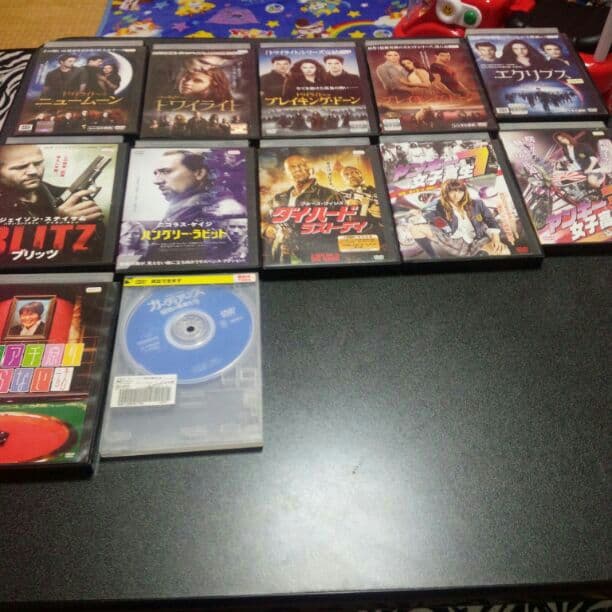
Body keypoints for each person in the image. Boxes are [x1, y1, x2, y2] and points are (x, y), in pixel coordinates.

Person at [148, 150, 246, 262]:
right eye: (156, 173)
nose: (156, 181)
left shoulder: (219, 207)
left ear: (199, 173)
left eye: (166, 171)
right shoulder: (181, 205)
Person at [264, 154, 343, 263]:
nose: (298, 169)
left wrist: (300, 243)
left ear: (310, 169)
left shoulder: (330, 195)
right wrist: (267, 229)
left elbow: (342, 230)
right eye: (292, 167)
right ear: (286, 172)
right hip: (280, 257)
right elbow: (264, 222)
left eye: (301, 165)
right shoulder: (278, 198)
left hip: (314, 258)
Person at [0, 144, 104, 221]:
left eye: (38, 163)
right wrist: (59, 223)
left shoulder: (70, 196)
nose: (34, 171)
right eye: (20, 167)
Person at [409, 179, 509, 258]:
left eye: (460, 191)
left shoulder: (477, 204)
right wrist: (418, 214)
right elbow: (427, 214)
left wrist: (496, 240)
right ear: (446, 193)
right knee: (415, 229)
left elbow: (491, 220)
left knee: (504, 252)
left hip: (478, 239)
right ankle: (434, 258)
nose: (457, 195)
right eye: (452, 191)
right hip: (453, 240)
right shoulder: (438, 206)